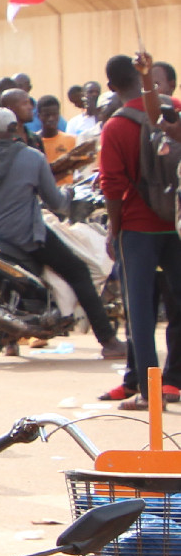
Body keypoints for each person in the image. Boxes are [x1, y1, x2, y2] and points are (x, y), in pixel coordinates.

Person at [0, 101, 124, 358]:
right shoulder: (32, 157)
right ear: (14, 130)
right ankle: (109, 341)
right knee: (78, 271)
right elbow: (56, 202)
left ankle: (10, 342)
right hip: (27, 236)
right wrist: (69, 200)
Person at [100, 53, 181, 407]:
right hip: (176, 224)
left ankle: (149, 393)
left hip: (137, 227)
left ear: (110, 86)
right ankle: (166, 381)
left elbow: (111, 186)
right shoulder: (173, 108)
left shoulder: (116, 126)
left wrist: (114, 232)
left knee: (141, 312)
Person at [32, 96, 77, 167]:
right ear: (39, 116)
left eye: (54, 114)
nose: (51, 119)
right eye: (47, 115)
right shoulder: (33, 142)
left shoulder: (72, 140)